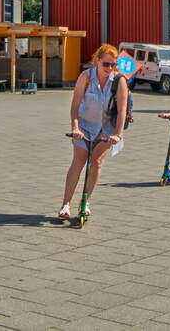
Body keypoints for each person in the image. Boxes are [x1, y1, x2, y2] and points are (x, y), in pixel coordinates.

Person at [59, 43, 129, 220]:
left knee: (96, 162)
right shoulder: (86, 77)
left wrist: (117, 134)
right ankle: (65, 204)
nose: (110, 68)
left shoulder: (119, 81)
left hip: (106, 129)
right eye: (106, 64)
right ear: (97, 61)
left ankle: (85, 202)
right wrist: (75, 127)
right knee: (79, 161)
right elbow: (75, 105)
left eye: (114, 65)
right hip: (84, 126)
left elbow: (122, 110)